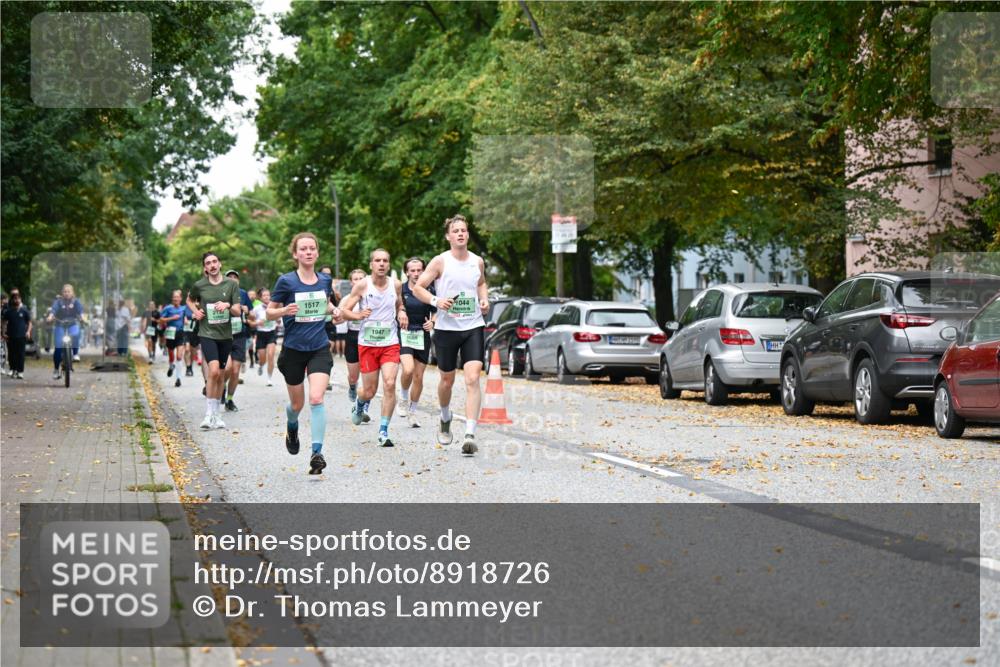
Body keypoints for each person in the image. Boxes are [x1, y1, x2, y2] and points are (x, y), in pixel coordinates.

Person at [412, 214, 489, 455]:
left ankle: (469, 433)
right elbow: (417, 288)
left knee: (472, 378)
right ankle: (445, 416)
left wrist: (483, 299)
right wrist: (437, 301)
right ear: (448, 236)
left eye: (464, 230)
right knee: (447, 380)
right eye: (455, 231)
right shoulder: (440, 262)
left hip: (472, 326)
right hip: (446, 329)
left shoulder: (477, 261)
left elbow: (481, 283)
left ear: (467, 234)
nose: (460, 234)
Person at [268, 232, 342, 475]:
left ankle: (316, 452)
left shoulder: (324, 280)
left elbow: (327, 304)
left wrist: (336, 311)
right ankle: (292, 426)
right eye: (303, 249)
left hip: (319, 347)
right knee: (297, 404)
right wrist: (284, 311)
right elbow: (269, 312)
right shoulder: (286, 281)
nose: (308, 252)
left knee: (317, 398)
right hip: (293, 350)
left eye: (312, 248)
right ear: (295, 254)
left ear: (317, 253)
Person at [340, 249, 407, 447]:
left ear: (389, 265)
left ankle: (383, 430)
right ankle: (359, 405)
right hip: (368, 343)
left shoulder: (396, 284)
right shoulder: (363, 285)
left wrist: (402, 312)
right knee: (369, 391)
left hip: (390, 342)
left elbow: (399, 304)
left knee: (389, 383)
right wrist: (358, 316)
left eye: (385, 261)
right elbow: (345, 311)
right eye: (377, 260)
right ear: (371, 265)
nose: (381, 264)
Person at [187, 252, 241, 430]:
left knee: (222, 373)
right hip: (207, 333)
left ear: (220, 264)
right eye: (208, 263)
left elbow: (238, 311)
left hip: (225, 335)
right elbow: (189, 300)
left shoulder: (231, 284)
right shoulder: (200, 285)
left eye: (214, 262)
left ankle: (217, 414)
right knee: (214, 371)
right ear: (205, 268)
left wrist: (227, 305)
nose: (212, 265)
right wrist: (195, 311)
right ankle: (208, 414)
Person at [398, 257, 436, 428]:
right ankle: (403, 398)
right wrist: (401, 311)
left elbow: (437, 310)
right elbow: (394, 304)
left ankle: (413, 412)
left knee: (419, 377)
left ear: (424, 271)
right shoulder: (401, 288)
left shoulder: (430, 289)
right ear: (406, 272)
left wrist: (433, 322)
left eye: (419, 270)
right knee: (408, 369)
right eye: (412, 270)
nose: (415, 273)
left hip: (422, 334)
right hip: (405, 331)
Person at [340, 269, 370, 423]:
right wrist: (342, 316)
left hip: (370, 336)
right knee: (354, 375)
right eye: (355, 279)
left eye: (361, 278)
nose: (358, 281)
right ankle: (352, 386)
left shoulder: (372, 296)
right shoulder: (346, 299)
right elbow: (338, 319)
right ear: (351, 282)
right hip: (352, 336)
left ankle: (364, 408)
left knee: (369, 376)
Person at [222, 269, 253, 412]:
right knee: (227, 368)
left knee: (235, 371)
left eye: (235, 277)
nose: (233, 279)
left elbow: (251, 315)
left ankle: (229, 399)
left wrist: (247, 310)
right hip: (224, 335)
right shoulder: (220, 292)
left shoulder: (243, 294)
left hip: (240, 335)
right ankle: (220, 388)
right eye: (230, 277)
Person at [48, 284, 85, 380]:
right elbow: (53, 310)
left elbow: (80, 310)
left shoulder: (76, 301)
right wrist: (51, 316)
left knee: (76, 334)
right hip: (60, 324)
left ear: (72, 292)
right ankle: (56, 369)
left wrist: (82, 317)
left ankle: (75, 354)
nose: (67, 293)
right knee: (58, 348)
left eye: (69, 291)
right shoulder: (58, 302)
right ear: (62, 293)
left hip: (72, 324)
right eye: (65, 291)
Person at [2, 288, 31, 378]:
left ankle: (20, 371)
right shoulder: (9, 311)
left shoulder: (24, 310)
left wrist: (28, 331)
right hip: (10, 335)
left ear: (20, 300)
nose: (16, 300)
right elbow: (3, 321)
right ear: (12, 300)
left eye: (18, 298)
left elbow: (29, 322)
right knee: (11, 353)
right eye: (14, 298)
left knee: (21, 354)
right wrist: (3, 332)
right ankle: (12, 369)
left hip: (22, 335)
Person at [159, 290, 186, 387]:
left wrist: (187, 320)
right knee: (171, 355)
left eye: (177, 297)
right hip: (170, 333)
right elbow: (161, 320)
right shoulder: (168, 308)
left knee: (179, 356)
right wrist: (172, 318)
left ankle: (178, 378)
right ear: (172, 299)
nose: (176, 299)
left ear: (180, 298)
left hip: (180, 333)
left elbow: (188, 316)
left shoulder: (184, 308)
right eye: (174, 297)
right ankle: (171, 365)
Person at [251, 287, 278, 385]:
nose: (267, 297)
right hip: (261, 334)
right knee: (263, 358)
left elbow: (280, 319)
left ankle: (269, 379)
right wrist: (258, 323)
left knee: (271, 355)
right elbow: (250, 321)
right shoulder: (256, 309)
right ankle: (261, 365)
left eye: (268, 295)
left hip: (271, 333)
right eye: (264, 295)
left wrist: (279, 320)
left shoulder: (274, 307)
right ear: (260, 297)